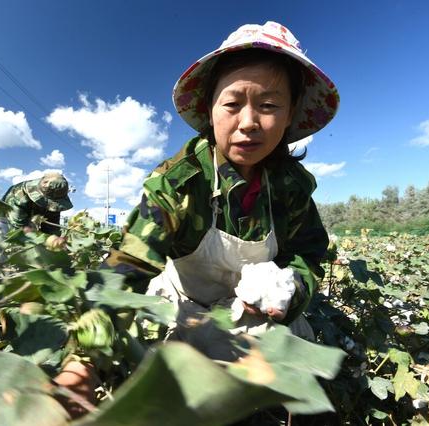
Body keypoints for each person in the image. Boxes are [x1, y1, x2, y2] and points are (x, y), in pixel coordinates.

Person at [103, 21, 339, 360]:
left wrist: (290, 289)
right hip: (182, 308)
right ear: (209, 111)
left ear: (290, 115)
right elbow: (130, 262)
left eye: (269, 105)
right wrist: (85, 355)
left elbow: (309, 254)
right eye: (232, 104)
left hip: (253, 319)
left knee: (294, 359)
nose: (248, 123)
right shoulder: (180, 182)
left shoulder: (290, 188)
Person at [1, 172, 73, 235]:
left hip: (30, 220)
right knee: (0, 239)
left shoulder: (56, 200)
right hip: (4, 218)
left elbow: (52, 227)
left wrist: (55, 241)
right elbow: (18, 228)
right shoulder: (19, 195)